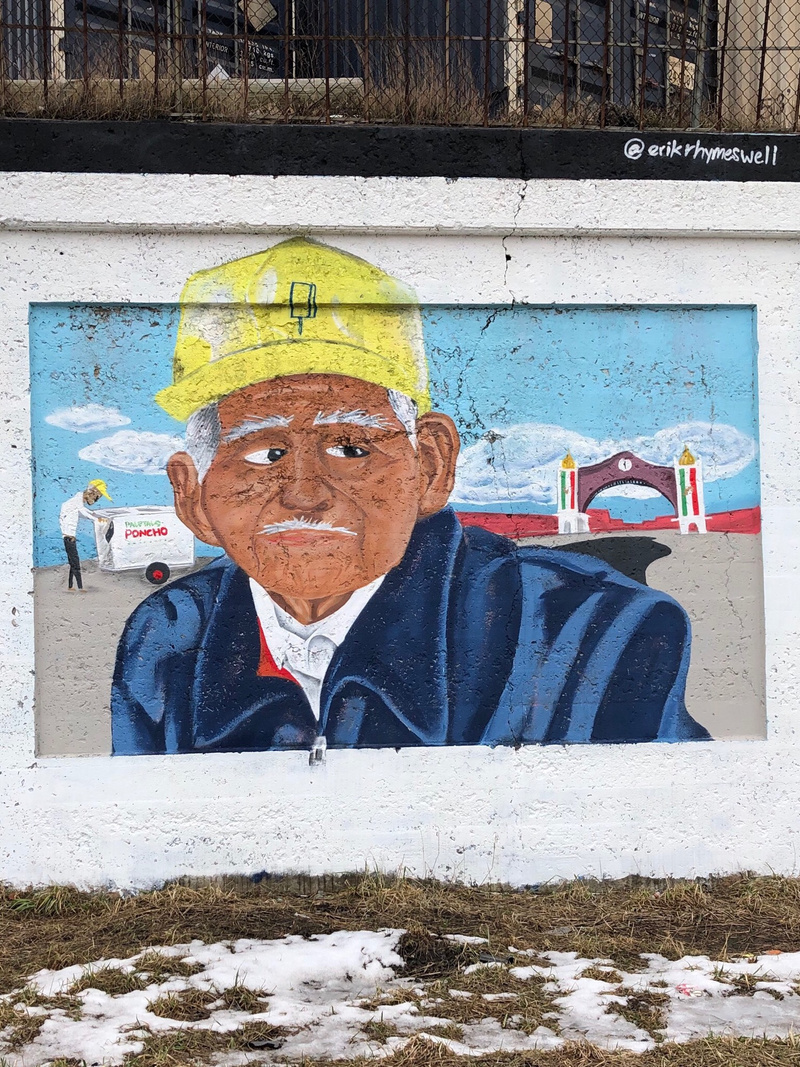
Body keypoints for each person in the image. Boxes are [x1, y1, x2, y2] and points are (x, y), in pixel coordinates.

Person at [111, 238, 709, 755]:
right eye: (264, 453)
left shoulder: (591, 636)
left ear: (430, 466)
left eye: (350, 448)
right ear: (193, 499)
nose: (304, 494)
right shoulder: (167, 639)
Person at [59, 479, 111, 591]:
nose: (96, 500)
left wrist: (95, 517)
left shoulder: (76, 504)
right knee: (76, 563)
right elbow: (84, 512)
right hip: (69, 538)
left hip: (69, 537)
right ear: (91, 491)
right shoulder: (76, 502)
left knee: (73, 563)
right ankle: (80, 587)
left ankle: (70, 586)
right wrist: (97, 519)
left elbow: (82, 512)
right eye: (97, 496)